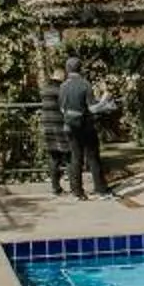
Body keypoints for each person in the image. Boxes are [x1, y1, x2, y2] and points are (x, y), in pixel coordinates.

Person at [60, 57, 101, 199]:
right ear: (80, 68)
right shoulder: (85, 85)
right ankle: (100, 188)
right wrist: (103, 102)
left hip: (70, 126)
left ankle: (77, 191)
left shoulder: (63, 86)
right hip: (86, 125)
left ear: (67, 69)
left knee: (75, 158)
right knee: (93, 157)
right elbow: (92, 107)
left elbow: (61, 107)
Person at [39, 66, 74, 197]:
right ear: (61, 77)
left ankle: (55, 188)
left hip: (47, 126)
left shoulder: (45, 89)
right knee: (69, 157)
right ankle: (73, 186)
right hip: (60, 125)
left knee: (54, 158)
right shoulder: (60, 89)